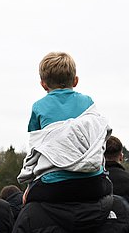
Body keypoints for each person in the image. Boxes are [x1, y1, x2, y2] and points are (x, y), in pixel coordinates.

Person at [17, 51, 110, 203]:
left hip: (53, 181)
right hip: (92, 179)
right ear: (75, 81)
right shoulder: (88, 102)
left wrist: (29, 186)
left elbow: (36, 149)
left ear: (43, 84)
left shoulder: (38, 107)